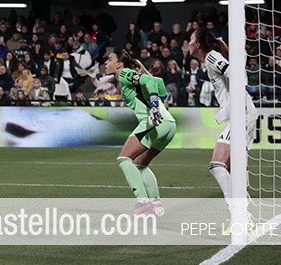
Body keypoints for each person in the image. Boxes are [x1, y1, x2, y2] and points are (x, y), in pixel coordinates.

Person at [187, 26, 258, 221]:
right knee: (231, 167)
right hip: (242, 113)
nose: (188, 43)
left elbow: (235, 74)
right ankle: (244, 209)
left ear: (198, 44)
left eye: (191, 39)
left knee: (217, 164)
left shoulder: (212, 57)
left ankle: (239, 213)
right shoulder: (209, 60)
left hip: (242, 114)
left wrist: (236, 104)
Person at [103, 50, 176, 215]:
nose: (106, 63)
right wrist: (162, 104)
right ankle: (156, 203)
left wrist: (155, 106)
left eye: (109, 59)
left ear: (119, 64)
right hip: (169, 124)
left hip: (154, 122)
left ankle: (143, 201)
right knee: (140, 164)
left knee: (124, 159)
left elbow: (149, 80)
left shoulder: (124, 74)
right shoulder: (128, 77)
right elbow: (158, 81)